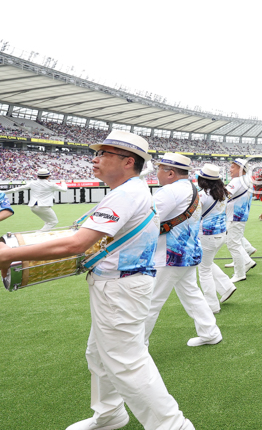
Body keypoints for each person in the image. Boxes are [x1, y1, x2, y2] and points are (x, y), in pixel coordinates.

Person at [0, 130, 194, 430]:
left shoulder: (127, 194)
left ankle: (174, 426)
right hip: (119, 284)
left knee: (127, 362)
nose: (94, 159)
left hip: (120, 287)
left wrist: (8, 255)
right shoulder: (131, 190)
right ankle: (109, 415)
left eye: (103, 154)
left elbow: (75, 244)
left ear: (128, 161)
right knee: (99, 354)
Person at [144, 153, 222, 347]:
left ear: (170, 173)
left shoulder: (169, 192)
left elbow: (144, 219)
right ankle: (210, 332)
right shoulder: (190, 188)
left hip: (170, 255)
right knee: (191, 293)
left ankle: (135, 346)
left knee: (151, 301)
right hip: (188, 252)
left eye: (159, 169)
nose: (157, 173)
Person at [197, 164, 237, 314]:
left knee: (204, 270)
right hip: (220, 234)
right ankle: (226, 286)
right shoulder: (223, 193)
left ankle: (212, 305)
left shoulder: (202, 195)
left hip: (206, 235)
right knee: (207, 263)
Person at [2, 168, 68, 230]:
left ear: (37, 176)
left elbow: (16, 189)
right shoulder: (51, 184)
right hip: (43, 207)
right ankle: (38, 235)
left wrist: (3, 192)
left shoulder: (32, 183)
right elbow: (64, 189)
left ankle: (40, 234)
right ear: (48, 176)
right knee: (53, 222)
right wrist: (63, 182)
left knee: (48, 222)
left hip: (33, 207)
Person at [224, 159, 257, 282]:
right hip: (241, 215)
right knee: (235, 241)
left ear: (240, 169)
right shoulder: (247, 180)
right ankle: (247, 259)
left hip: (234, 216)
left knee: (233, 244)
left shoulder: (237, 180)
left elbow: (224, 195)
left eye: (232, 167)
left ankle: (240, 272)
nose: (230, 170)